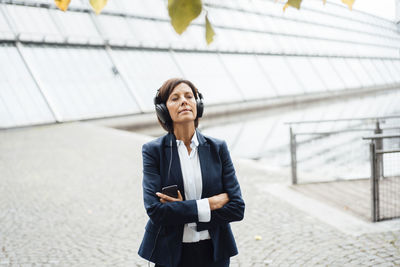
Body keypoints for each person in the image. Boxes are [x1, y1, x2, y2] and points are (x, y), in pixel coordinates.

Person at [138, 78, 245, 267]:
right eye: (175, 98)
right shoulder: (153, 151)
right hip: (170, 253)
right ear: (163, 109)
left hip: (214, 252)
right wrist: (209, 204)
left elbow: (237, 208)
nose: (184, 101)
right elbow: (156, 211)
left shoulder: (218, 148)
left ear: (198, 105)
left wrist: (182, 208)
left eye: (189, 96)